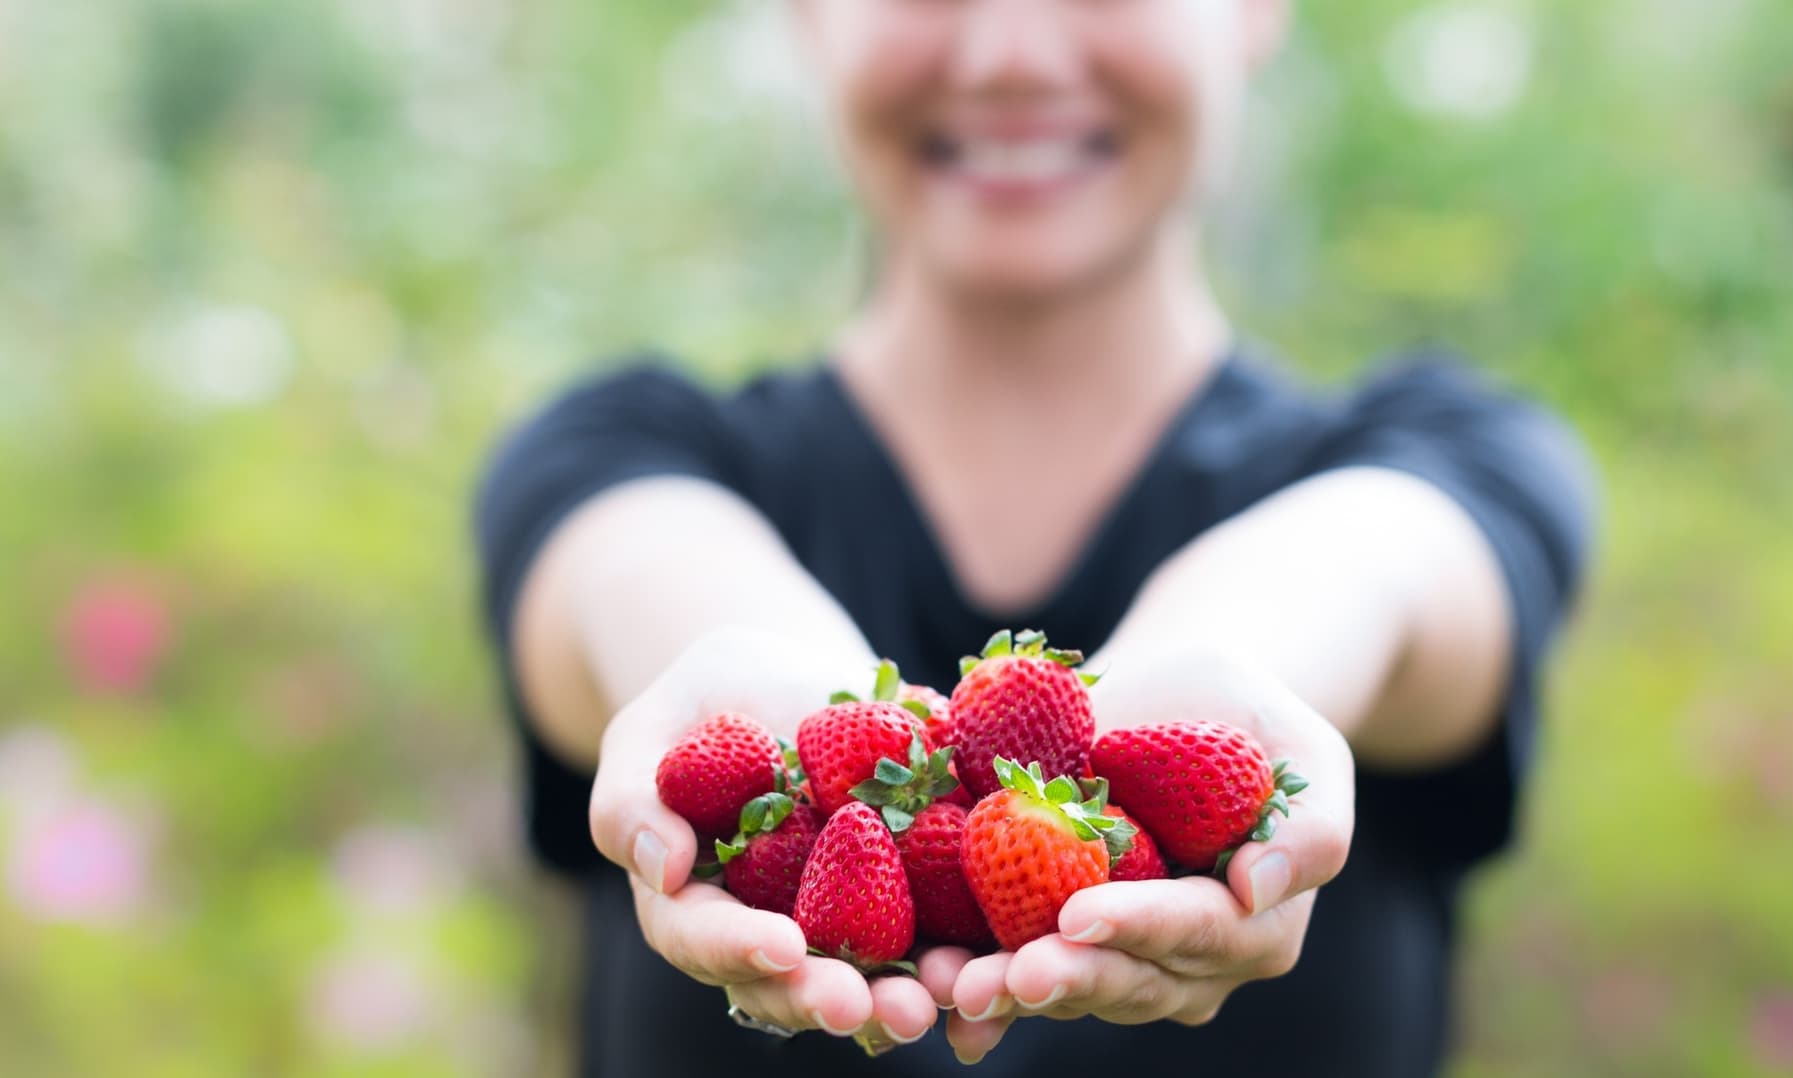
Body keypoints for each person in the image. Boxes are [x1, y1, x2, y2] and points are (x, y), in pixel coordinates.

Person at [474, 0, 1594, 1074]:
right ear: (809, 12)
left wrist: (1216, 687)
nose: (1010, 53)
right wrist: (808, 729)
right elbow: (635, 569)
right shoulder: (621, 448)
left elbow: (1372, 561)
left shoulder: (1446, 453)